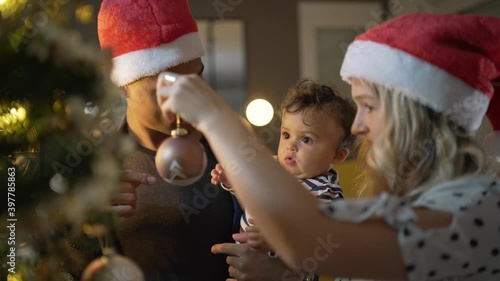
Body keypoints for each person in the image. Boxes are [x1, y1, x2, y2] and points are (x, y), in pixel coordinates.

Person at [156, 13, 500, 280]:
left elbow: (307, 231)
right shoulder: (422, 203)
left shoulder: (472, 209)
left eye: (369, 106)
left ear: (411, 116)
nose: (358, 126)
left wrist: (215, 115)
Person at [94, 0, 235, 280]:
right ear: (123, 86)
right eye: (163, 87)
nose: (181, 101)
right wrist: (87, 230)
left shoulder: (232, 145)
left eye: (194, 80)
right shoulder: (97, 166)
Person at [211, 79, 355, 254]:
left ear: (338, 155)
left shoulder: (325, 193)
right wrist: (232, 180)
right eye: (286, 135)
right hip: (243, 257)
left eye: (306, 139)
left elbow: (317, 239)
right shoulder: (270, 166)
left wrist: (275, 241)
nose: (291, 146)